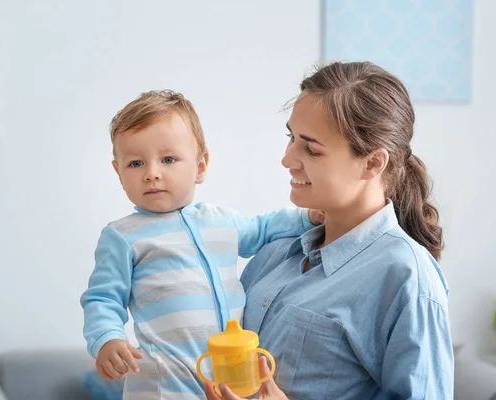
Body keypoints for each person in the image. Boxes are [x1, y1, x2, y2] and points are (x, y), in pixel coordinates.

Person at [204, 61, 454, 400]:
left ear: (372, 163)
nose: (287, 158)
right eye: (291, 137)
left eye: (311, 148)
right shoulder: (275, 253)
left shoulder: (407, 277)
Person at [80, 90, 324, 400]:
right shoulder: (123, 236)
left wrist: (307, 217)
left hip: (230, 379)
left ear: (200, 165)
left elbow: (264, 228)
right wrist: (106, 339)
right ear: (118, 172)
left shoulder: (221, 221)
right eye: (135, 163)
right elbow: (102, 298)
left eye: (168, 159)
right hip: (165, 386)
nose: (152, 173)